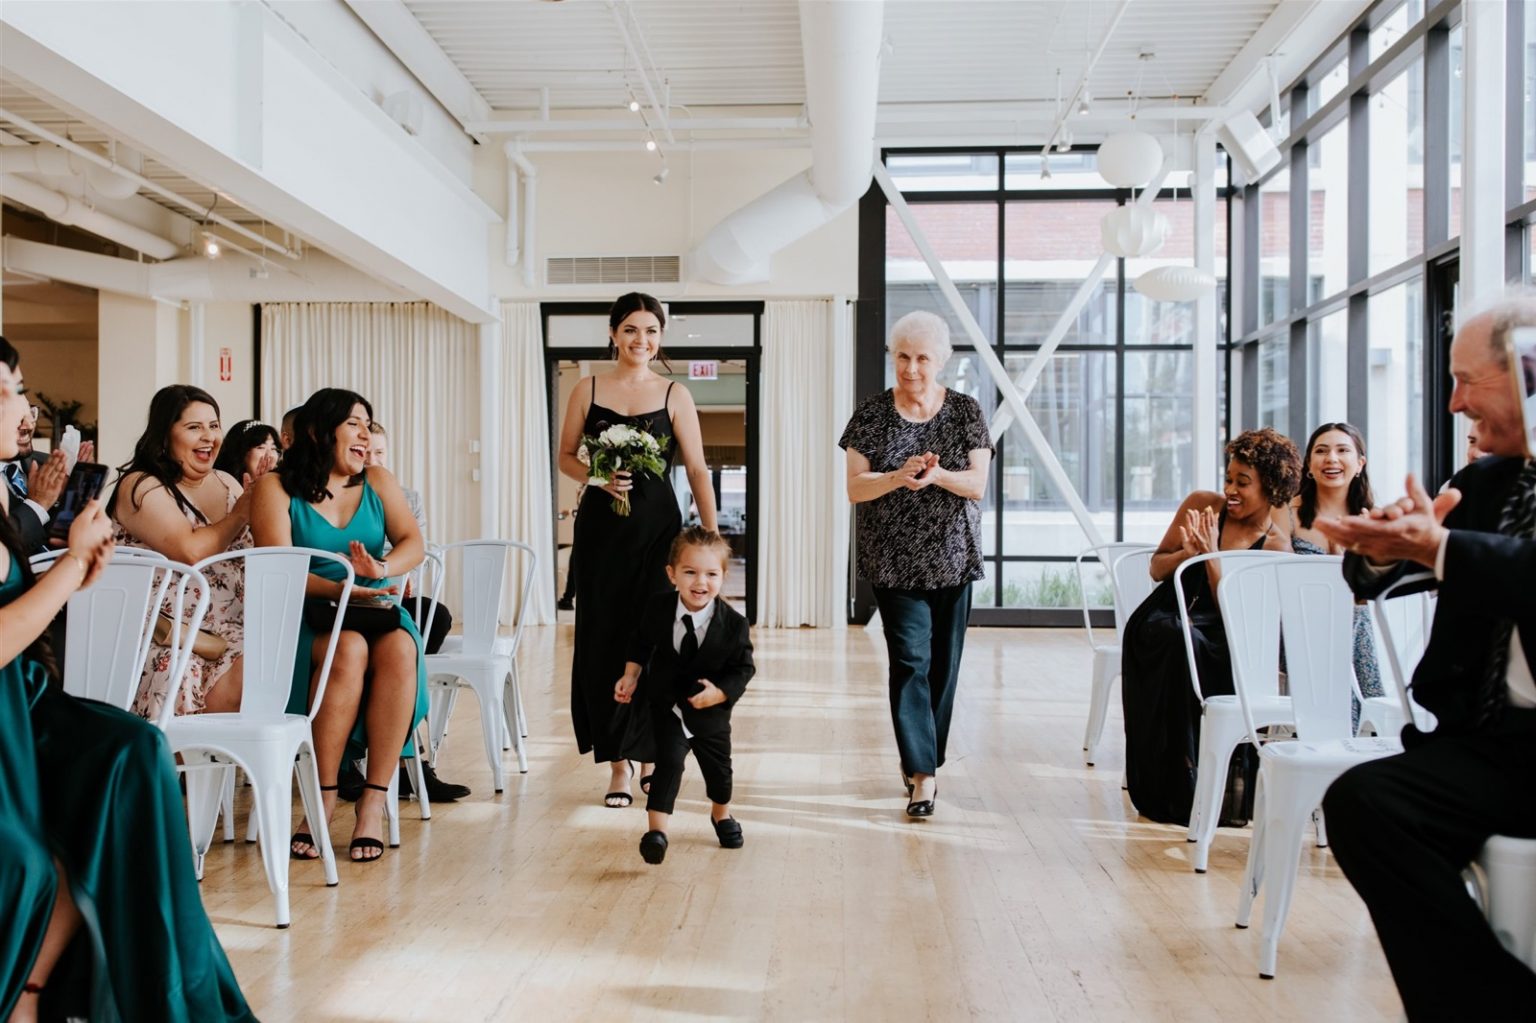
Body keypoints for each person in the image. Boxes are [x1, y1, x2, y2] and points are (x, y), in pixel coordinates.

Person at [0, 339, 256, 1022]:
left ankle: (133, 986)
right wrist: (71, 565)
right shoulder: (143, 486)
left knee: (134, 751)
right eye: (10, 391)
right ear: (164, 433)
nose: (26, 407)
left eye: (21, 388)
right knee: (52, 836)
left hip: (28, 698)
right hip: (40, 696)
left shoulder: (3, 485)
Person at [1317, 295, 1536, 1019]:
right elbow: (1368, 577)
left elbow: (1515, 565)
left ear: (1528, 372)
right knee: (1365, 804)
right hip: (1498, 745)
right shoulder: (1484, 482)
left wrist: (1439, 548)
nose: (1454, 403)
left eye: (1468, 380)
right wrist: (1382, 552)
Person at [251, 388, 429, 863]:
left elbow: (413, 541)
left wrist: (383, 571)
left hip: (374, 604)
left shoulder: (378, 480)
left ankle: (373, 800)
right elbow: (278, 566)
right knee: (348, 649)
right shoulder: (274, 487)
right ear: (317, 431)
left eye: (369, 424)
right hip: (308, 611)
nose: (366, 433)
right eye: (354, 423)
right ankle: (323, 796)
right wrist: (344, 587)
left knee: (401, 650)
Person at [556, 292, 719, 807]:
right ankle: (619, 768)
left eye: (650, 331)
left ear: (660, 337)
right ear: (612, 333)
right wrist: (599, 477)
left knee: (652, 641)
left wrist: (709, 540)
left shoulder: (676, 393)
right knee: (604, 641)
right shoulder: (588, 388)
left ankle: (652, 754)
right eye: (630, 329)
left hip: (658, 536)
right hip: (601, 534)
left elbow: (695, 469)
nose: (641, 340)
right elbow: (565, 456)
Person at [838, 310, 993, 818]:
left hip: (953, 558)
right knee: (910, 662)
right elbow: (854, 488)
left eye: (922, 358)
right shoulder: (871, 414)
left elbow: (975, 484)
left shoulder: (966, 411)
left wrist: (936, 475)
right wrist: (896, 476)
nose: (910, 369)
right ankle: (922, 775)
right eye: (902, 356)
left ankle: (924, 758)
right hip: (893, 561)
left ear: (942, 360)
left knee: (944, 669)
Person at [1120, 427, 1300, 826]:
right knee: (1170, 637)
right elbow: (1156, 568)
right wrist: (1187, 552)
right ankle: (1158, 786)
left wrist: (1213, 555)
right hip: (1167, 615)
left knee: (1189, 645)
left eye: (1243, 482)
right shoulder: (1202, 504)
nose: (1231, 489)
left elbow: (1237, 614)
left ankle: (1195, 788)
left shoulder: (1275, 547)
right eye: (1229, 478)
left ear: (1271, 488)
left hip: (1225, 635)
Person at [109, 385, 252, 719]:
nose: (208, 437)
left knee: (283, 655)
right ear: (164, 435)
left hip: (232, 628)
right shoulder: (142, 486)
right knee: (179, 666)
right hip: (167, 633)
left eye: (214, 426)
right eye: (194, 427)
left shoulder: (228, 483)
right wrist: (242, 513)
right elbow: (190, 551)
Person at [614, 527, 755, 864]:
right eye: (690, 572)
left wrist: (720, 693)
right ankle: (656, 833)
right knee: (668, 766)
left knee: (720, 775)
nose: (700, 582)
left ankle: (721, 814)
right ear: (671, 574)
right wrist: (631, 675)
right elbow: (641, 643)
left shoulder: (734, 624)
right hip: (669, 708)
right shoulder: (658, 608)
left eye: (711, 574)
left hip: (711, 715)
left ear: (723, 576)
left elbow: (743, 669)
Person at [350, 419, 468, 804]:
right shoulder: (334, 493)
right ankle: (404, 764)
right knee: (392, 649)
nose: (373, 459)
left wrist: (389, 568)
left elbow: (415, 550)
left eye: (380, 453)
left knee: (431, 620)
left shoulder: (404, 495)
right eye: (367, 452)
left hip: (392, 591)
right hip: (348, 596)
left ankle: (392, 754)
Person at [1284, 422, 1383, 725]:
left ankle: (1349, 726)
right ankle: (1378, 709)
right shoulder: (1288, 511)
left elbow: (1372, 594)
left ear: (1359, 464)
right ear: (1309, 465)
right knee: (1350, 617)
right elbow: (1283, 581)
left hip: (1350, 632)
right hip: (1296, 631)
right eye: (1322, 451)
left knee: (1354, 616)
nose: (1331, 459)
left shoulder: (1371, 519)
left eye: (1343, 451)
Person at [213, 419, 281, 481]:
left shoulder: (283, 483)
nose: (269, 455)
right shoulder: (224, 484)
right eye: (261, 447)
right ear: (241, 453)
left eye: (273, 448)